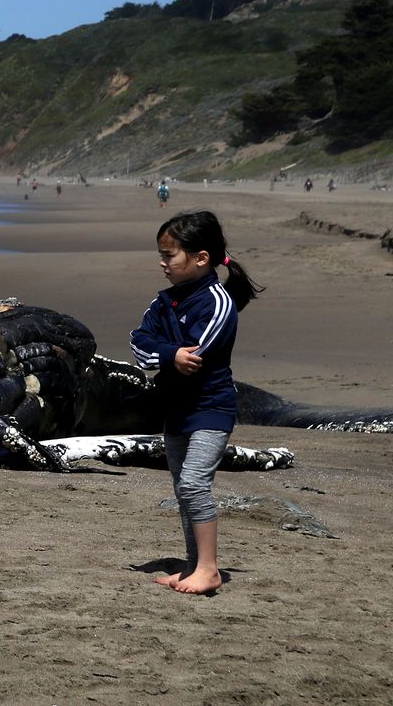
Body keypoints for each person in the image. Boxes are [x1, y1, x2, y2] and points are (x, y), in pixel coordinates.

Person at [129, 210, 263, 595]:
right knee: (181, 488)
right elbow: (140, 342)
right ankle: (193, 566)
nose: (162, 262)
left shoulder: (217, 303)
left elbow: (197, 353)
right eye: (162, 254)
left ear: (201, 258)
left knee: (193, 483)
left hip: (211, 408)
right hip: (175, 409)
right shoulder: (164, 302)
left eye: (169, 255)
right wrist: (170, 355)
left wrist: (169, 355)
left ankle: (209, 568)